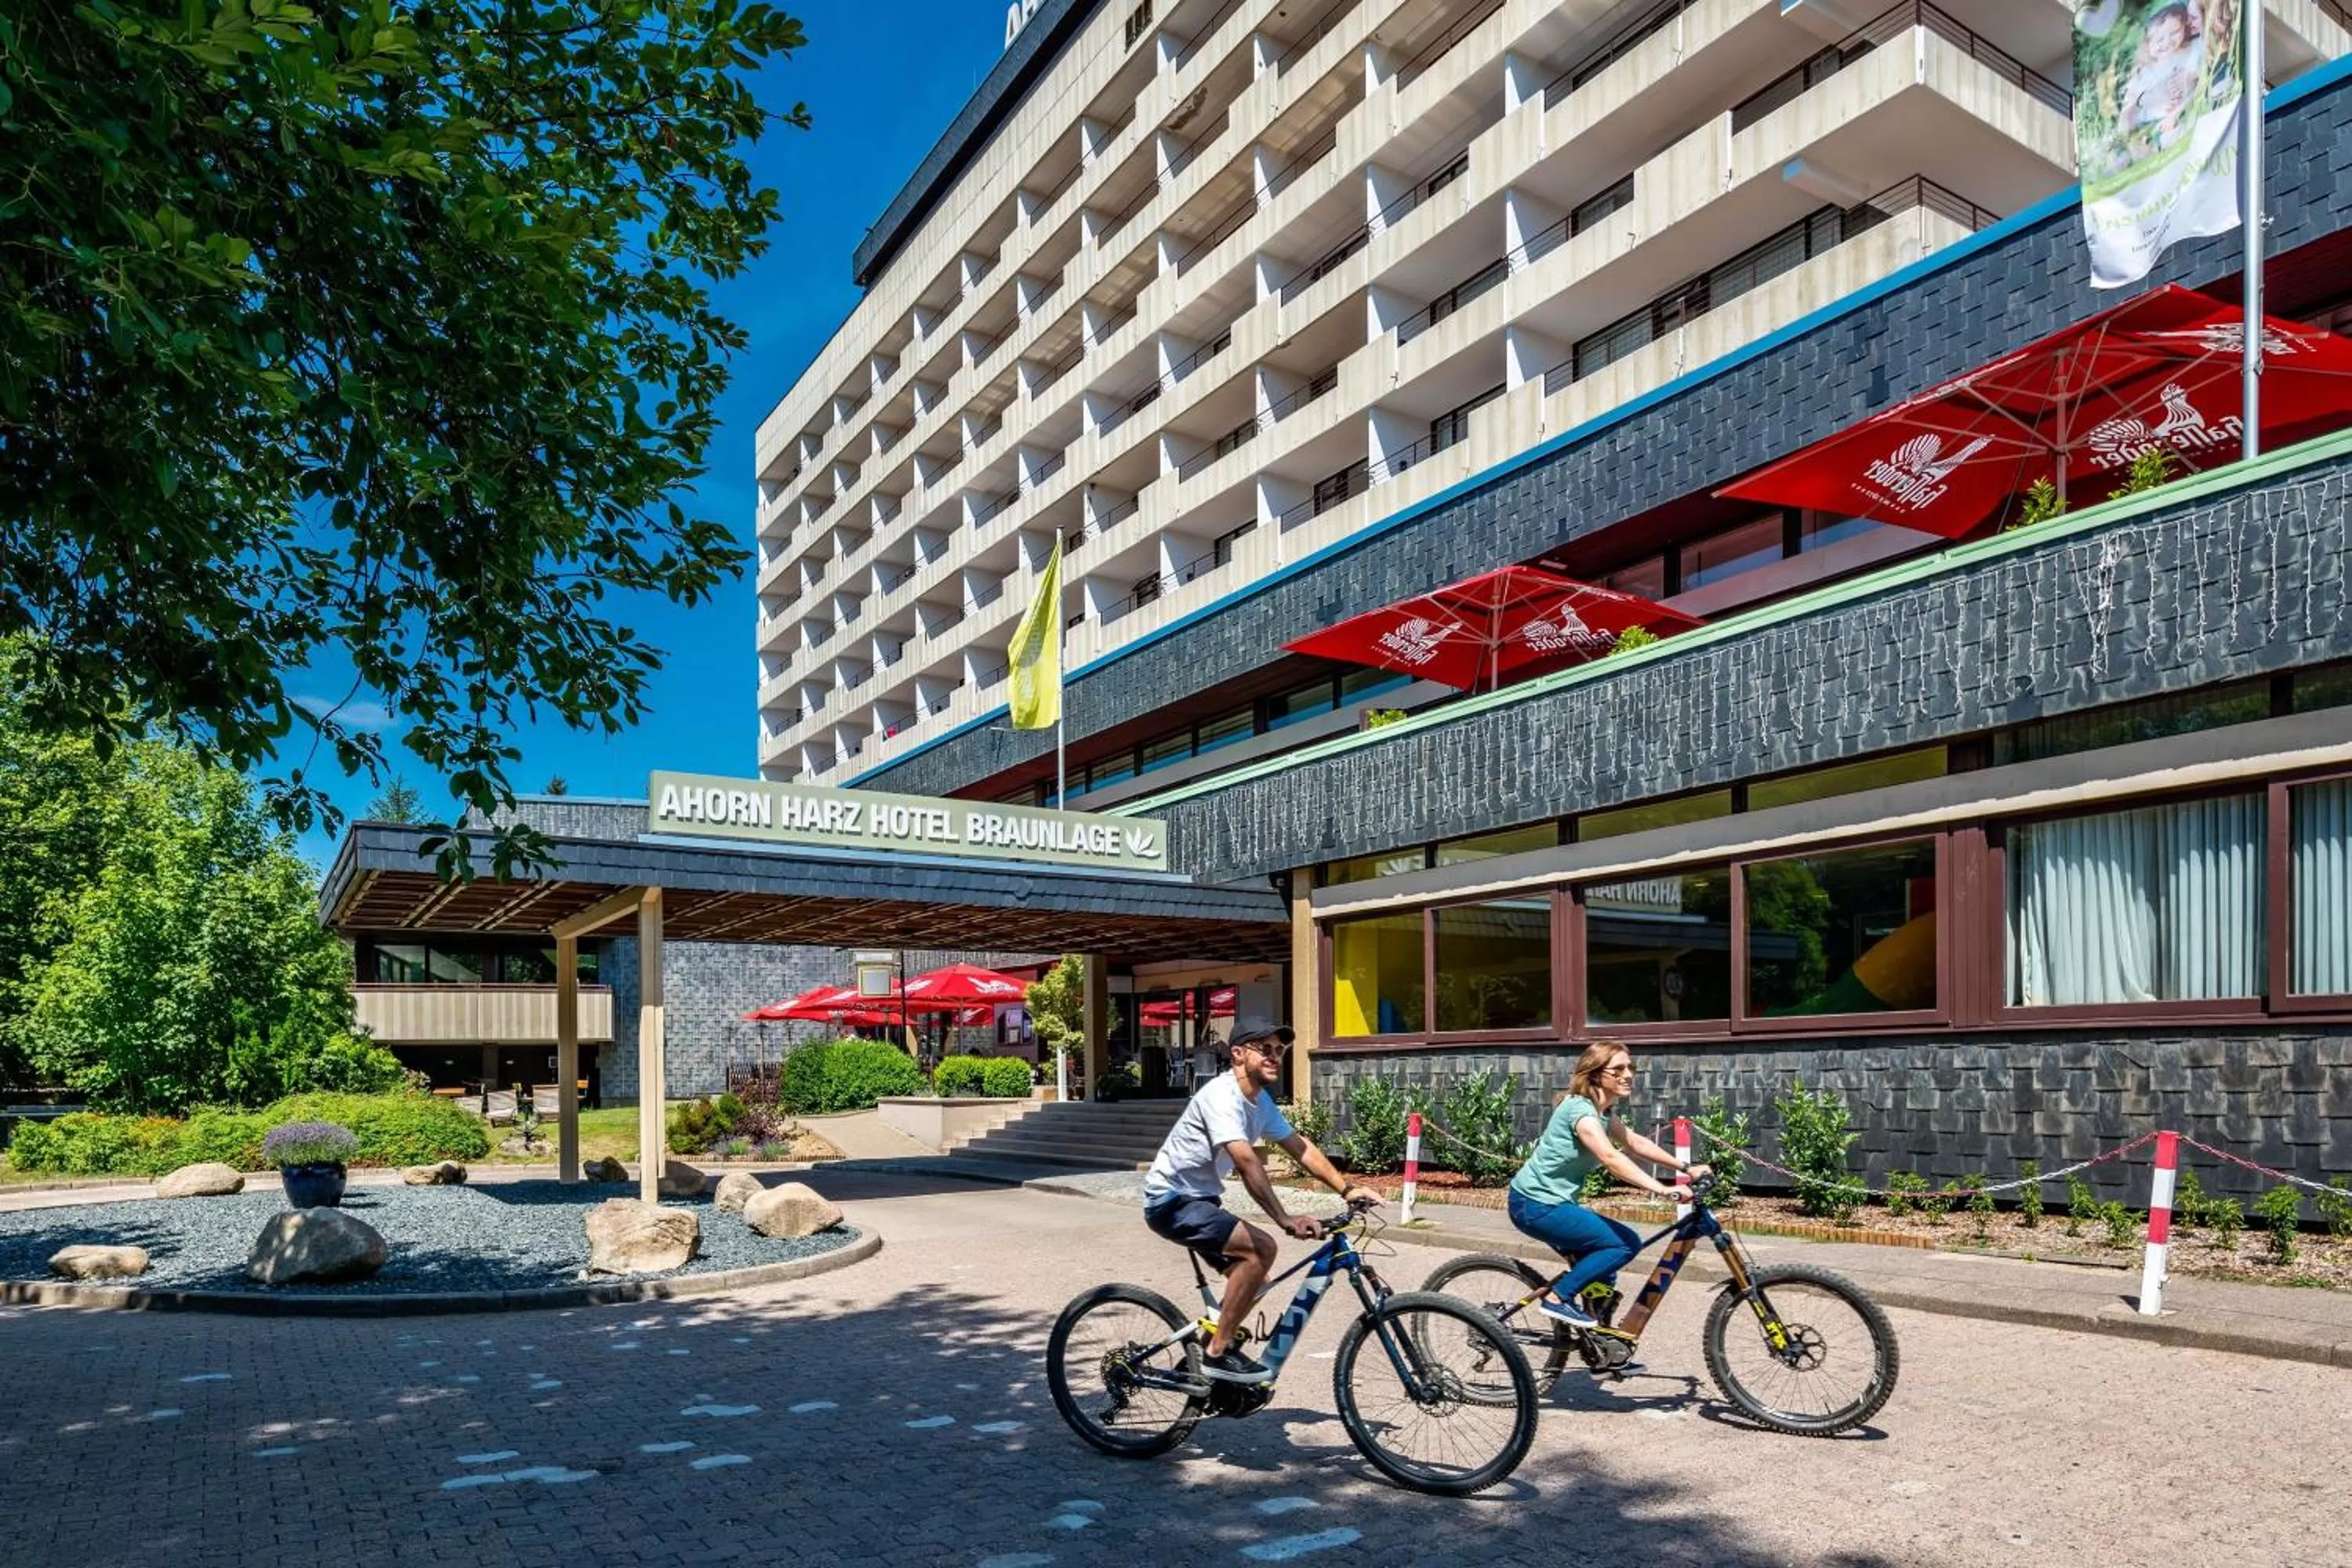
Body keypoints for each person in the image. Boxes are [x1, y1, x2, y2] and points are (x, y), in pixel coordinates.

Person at [1142, 1018, 1380, 1384]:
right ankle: (1216, 1355)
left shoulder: (1260, 1101)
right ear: (1237, 1054)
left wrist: (1346, 1189)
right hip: (1171, 1200)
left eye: (1279, 1050)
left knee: (1255, 1277)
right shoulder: (1221, 1097)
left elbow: (1300, 1148)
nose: (1274, 1057)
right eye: (1264, 1049)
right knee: (1262, 1249)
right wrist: (1284, 1219)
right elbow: (1245, 1160)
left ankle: (1203, 1363)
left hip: (1202, 1200)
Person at [1508, 1040, 1708, 1329]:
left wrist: (1687, 1168)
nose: (1628, 1075)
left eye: (1630, 1068)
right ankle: (1557, 1298)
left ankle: (1600, 1342)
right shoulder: (1581, 1112)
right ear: (1595, 1073)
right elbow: (1611, 1157)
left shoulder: (1601, 1113)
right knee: (1624, 1244)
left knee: (1604, 1269)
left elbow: (1634, 1143)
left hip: (1554, 1203)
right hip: (1535, 1205)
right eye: (1618, 1069)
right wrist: (1663, 1189)